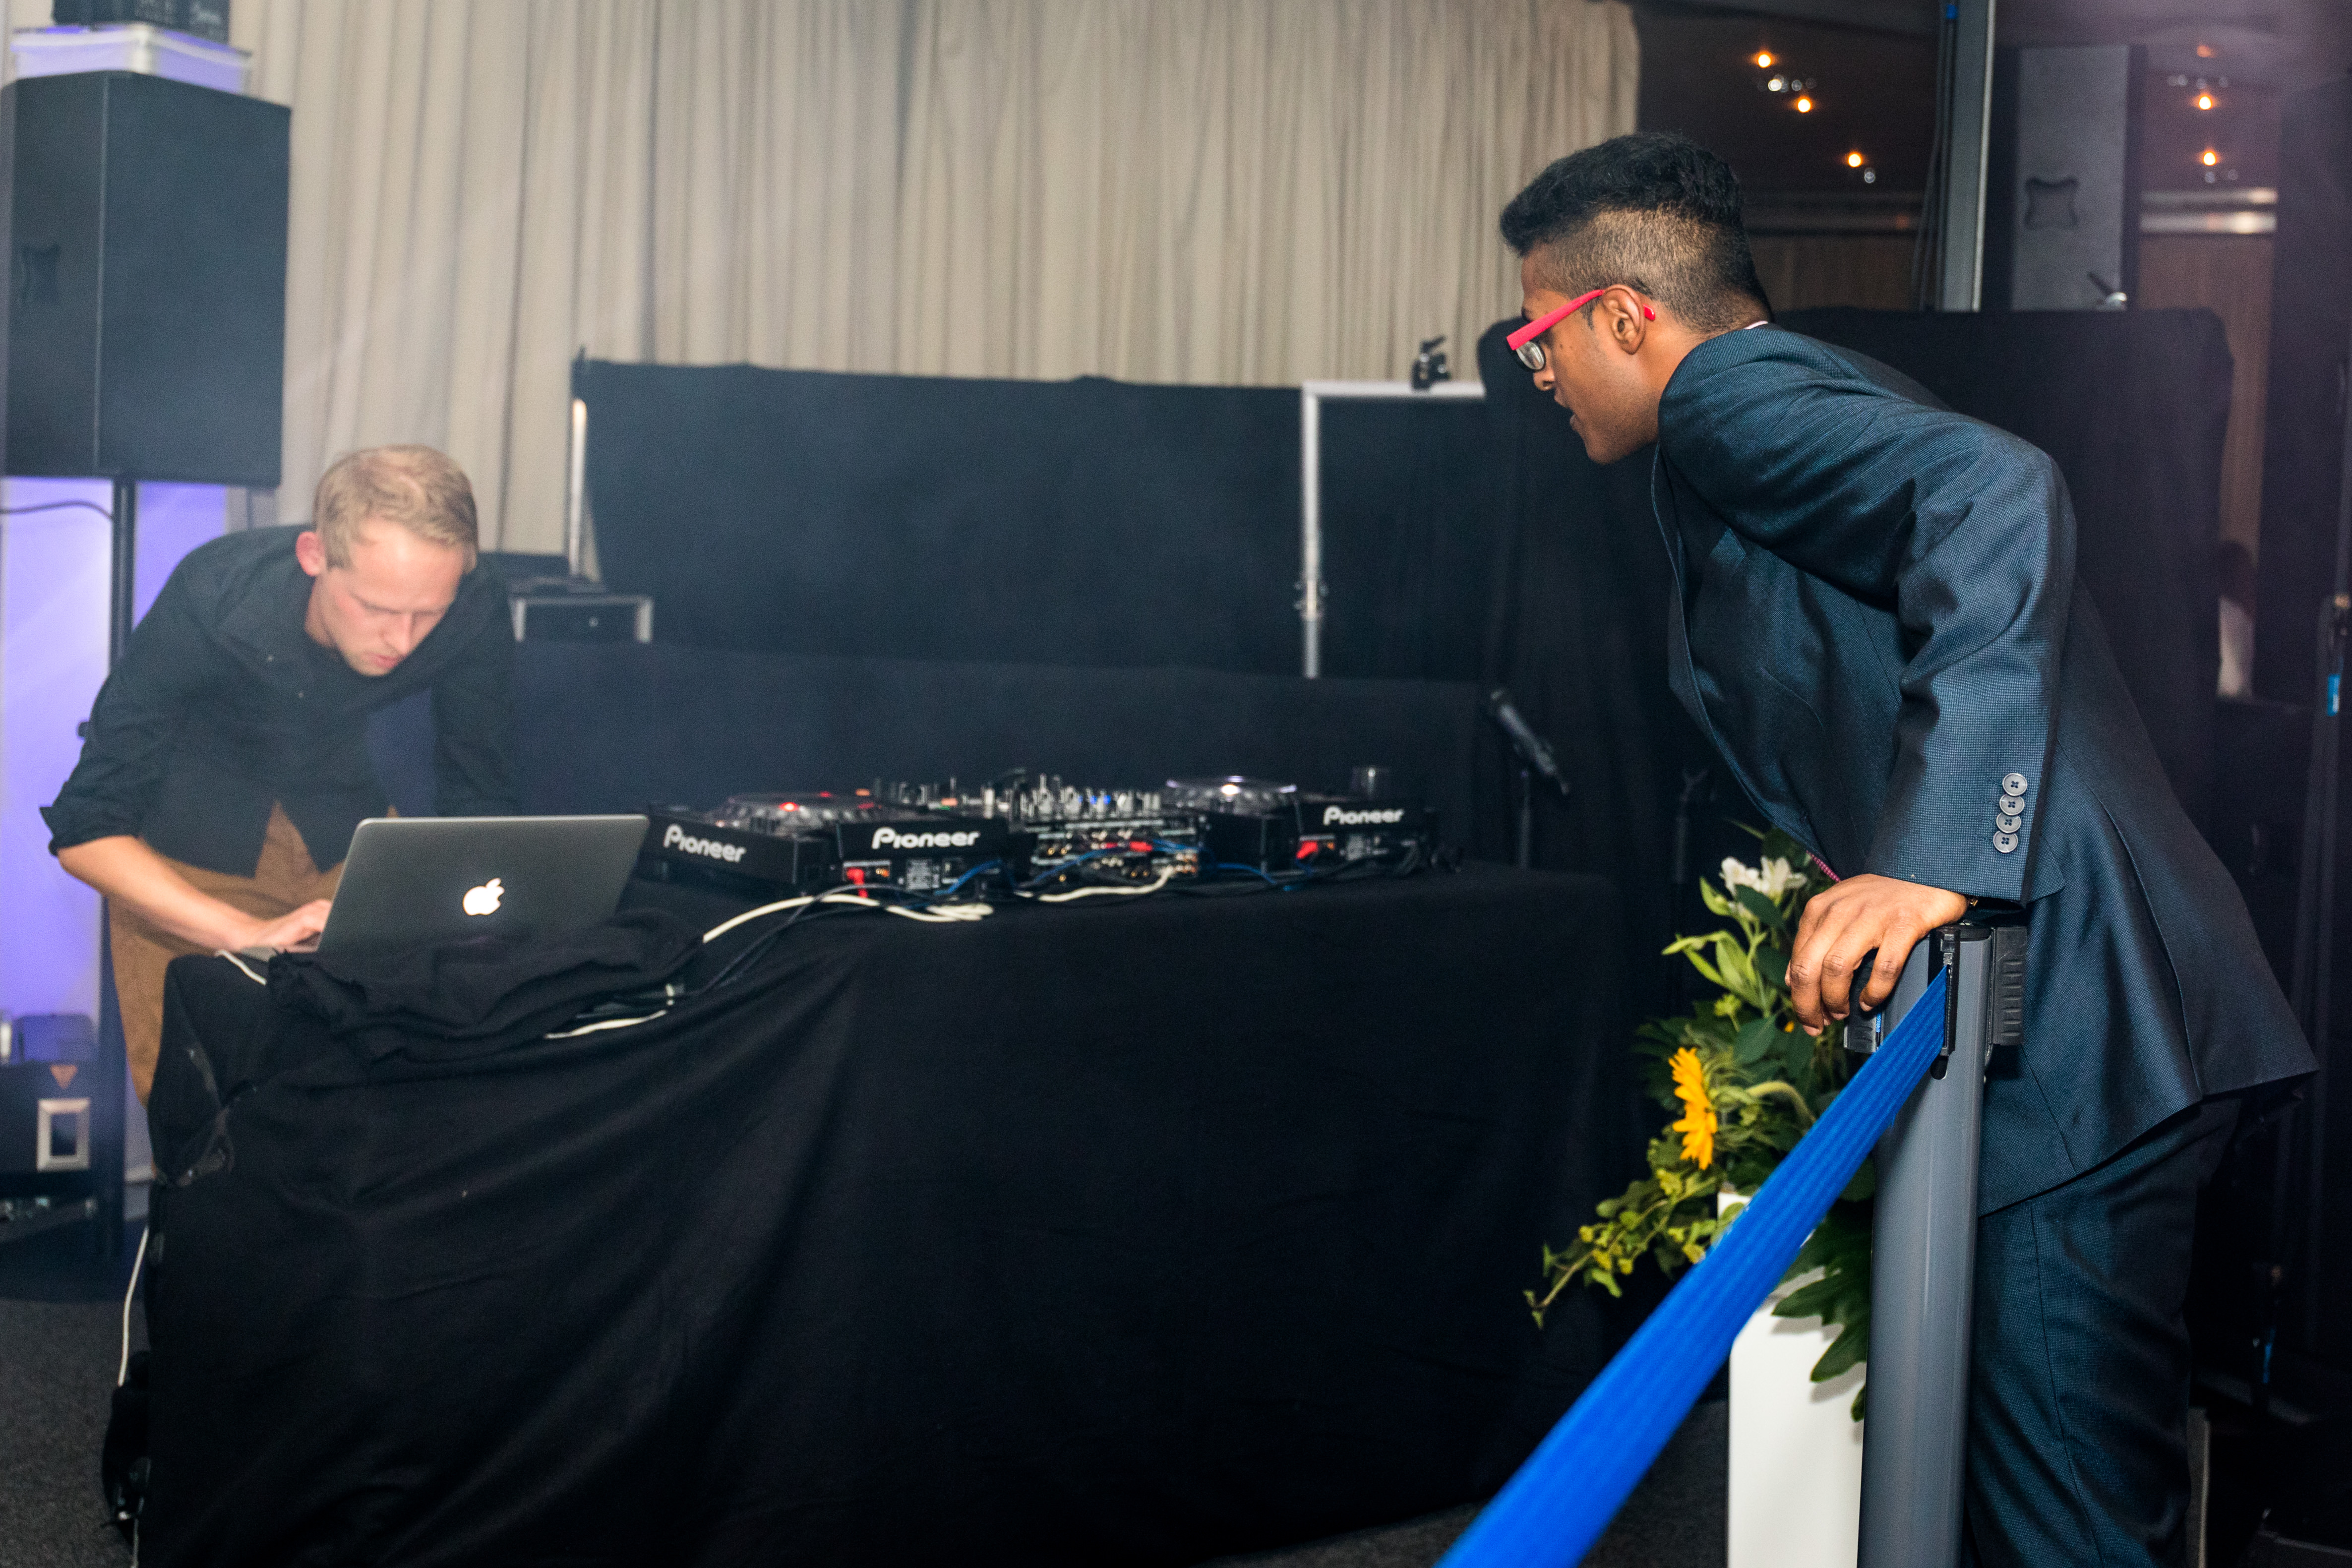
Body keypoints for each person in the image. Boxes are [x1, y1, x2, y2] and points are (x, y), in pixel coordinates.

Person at [1497, 133, 2312, 1566]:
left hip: (2074, 1031)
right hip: (2097, 1013)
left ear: (1621, 315)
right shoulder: (1800, 388)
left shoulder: (1725, 395)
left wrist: (1938, 853)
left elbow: (2001, 491)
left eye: (1537, 336)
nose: (1537, 372)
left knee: (2064, 1532)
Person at [44, 445, 518, 1102]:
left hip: (347, 837)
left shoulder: (473, 601)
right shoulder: (213, 594)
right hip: (187, 856)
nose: (404, 640)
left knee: (372, 1106)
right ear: (314, 555)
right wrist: (244, 934)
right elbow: (85, 830)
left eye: (428, 614)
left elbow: (479, 793)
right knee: (207, 1122)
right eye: (377, 608)